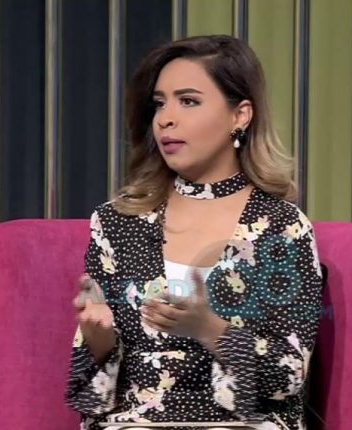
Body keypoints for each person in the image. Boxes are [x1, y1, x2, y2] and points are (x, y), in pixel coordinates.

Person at [66, 35, 324, 430]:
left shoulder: (282, 227)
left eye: (188, 101)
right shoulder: (117, 222)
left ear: (240, 116)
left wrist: (209, 329)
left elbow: (287, 378)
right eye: (160, 103)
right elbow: (86, 397)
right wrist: (98, 341)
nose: (166, 119)